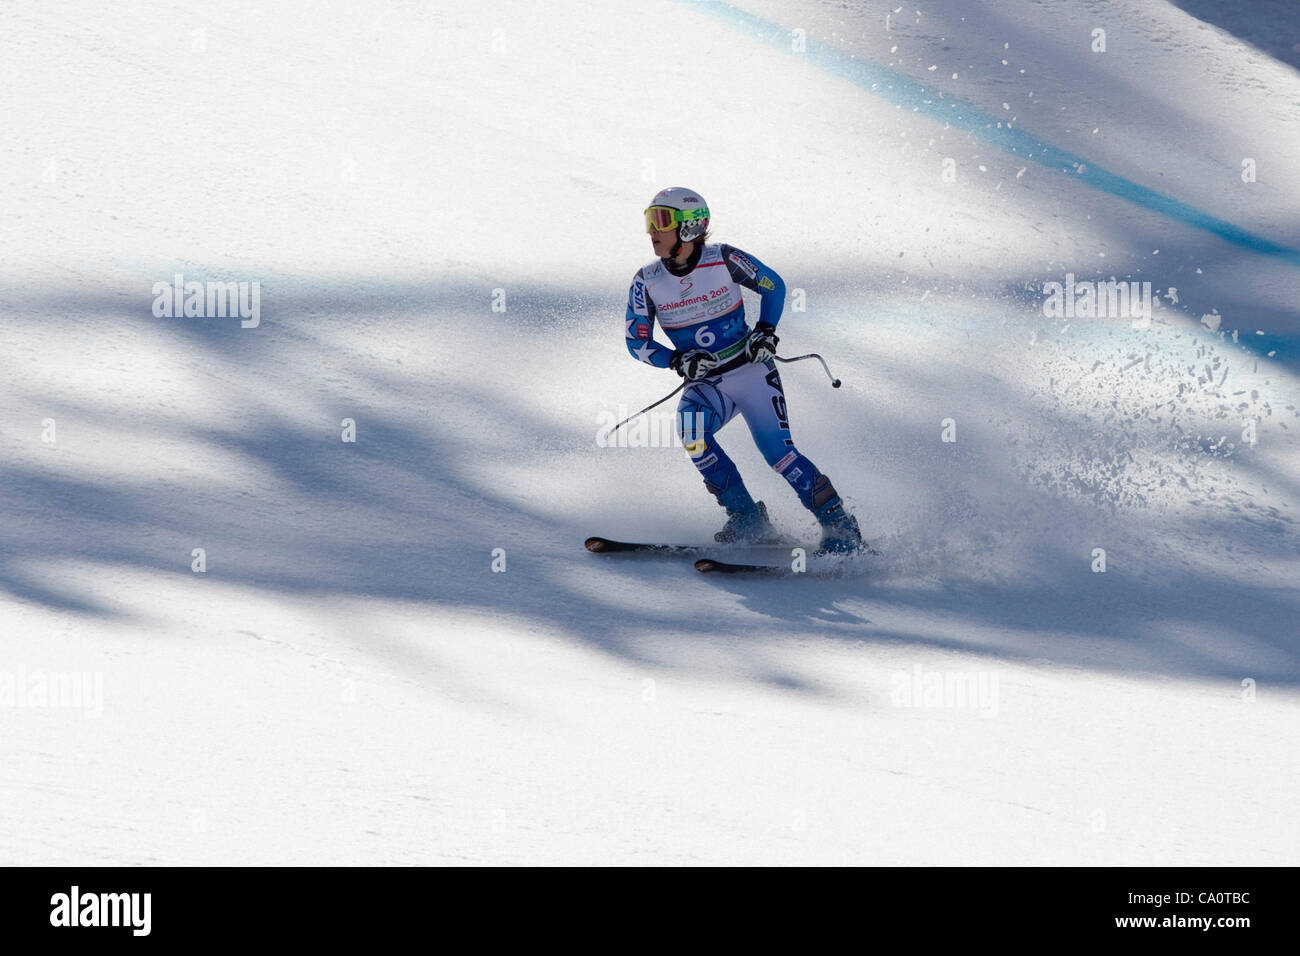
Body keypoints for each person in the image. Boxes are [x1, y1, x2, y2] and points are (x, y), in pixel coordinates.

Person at [624, 186, 864, 552]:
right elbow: (637, 343)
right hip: (707, 382)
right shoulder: (647, 280)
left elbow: (774, 286)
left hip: (751, 372)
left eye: (662, 220)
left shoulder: (724, 258)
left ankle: (840, 528)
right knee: (692, 433)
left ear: (689, 226)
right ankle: (746, 518)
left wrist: (766, 332)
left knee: (779, 455)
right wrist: (675, 359)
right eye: (649, 219)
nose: (652, 230)